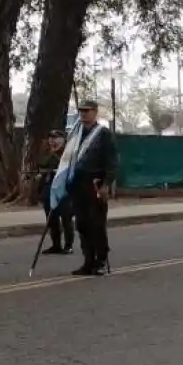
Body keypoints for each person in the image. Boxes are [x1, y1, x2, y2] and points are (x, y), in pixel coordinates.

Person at [64, 100, 118, 276]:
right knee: (82, 224)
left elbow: (112, 162)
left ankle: (100, 260)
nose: (83, 114)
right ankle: (88, 260)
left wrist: (106, 184)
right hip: (77, 184)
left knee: (96, 223)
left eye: (87, 111)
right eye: (81, 111)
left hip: (95, 183)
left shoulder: (103, 134)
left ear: (95, 112)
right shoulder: (76, 134)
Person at [37, 130, 75, 254]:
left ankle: (68, 245)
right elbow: (41, 165)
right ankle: (56, 245)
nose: (53, 141)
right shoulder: (47, 153)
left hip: (64, 191)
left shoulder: (70, 153)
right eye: (51, 138)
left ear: (64, 140)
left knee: (66, 218)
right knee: (51, 219)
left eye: (56, 138)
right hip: (49, 190)